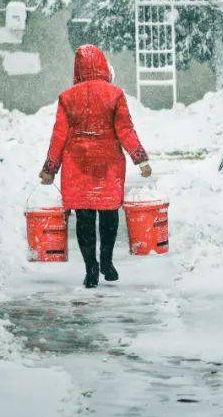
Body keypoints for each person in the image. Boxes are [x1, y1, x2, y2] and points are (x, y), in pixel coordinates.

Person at [39, 44, 151, 288]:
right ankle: (107, 261)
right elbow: (125, 130)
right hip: (108, 164)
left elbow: (58, 135)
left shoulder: (67, 98)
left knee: (84, 218)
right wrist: (140, 157)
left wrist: (50, 168)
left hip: (76, 165)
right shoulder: (114, 94)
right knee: (109, 213)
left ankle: (91, 267)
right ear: (102, 65)